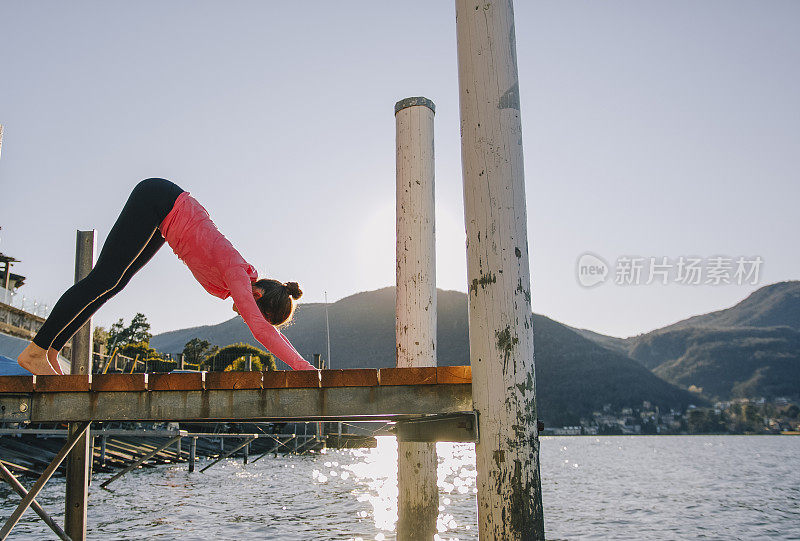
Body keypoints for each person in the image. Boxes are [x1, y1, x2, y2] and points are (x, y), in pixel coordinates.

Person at [17, 178, 315, 375]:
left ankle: (51, 351)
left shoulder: (236, 279)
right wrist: (304, 368)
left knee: (115, 283)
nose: (247, 316)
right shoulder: (238, 275)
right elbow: (263, 331)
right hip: (159, 198)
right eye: (257, 314)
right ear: (258, 295)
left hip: (166, 216)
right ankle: (36, 350)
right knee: (104, 278)